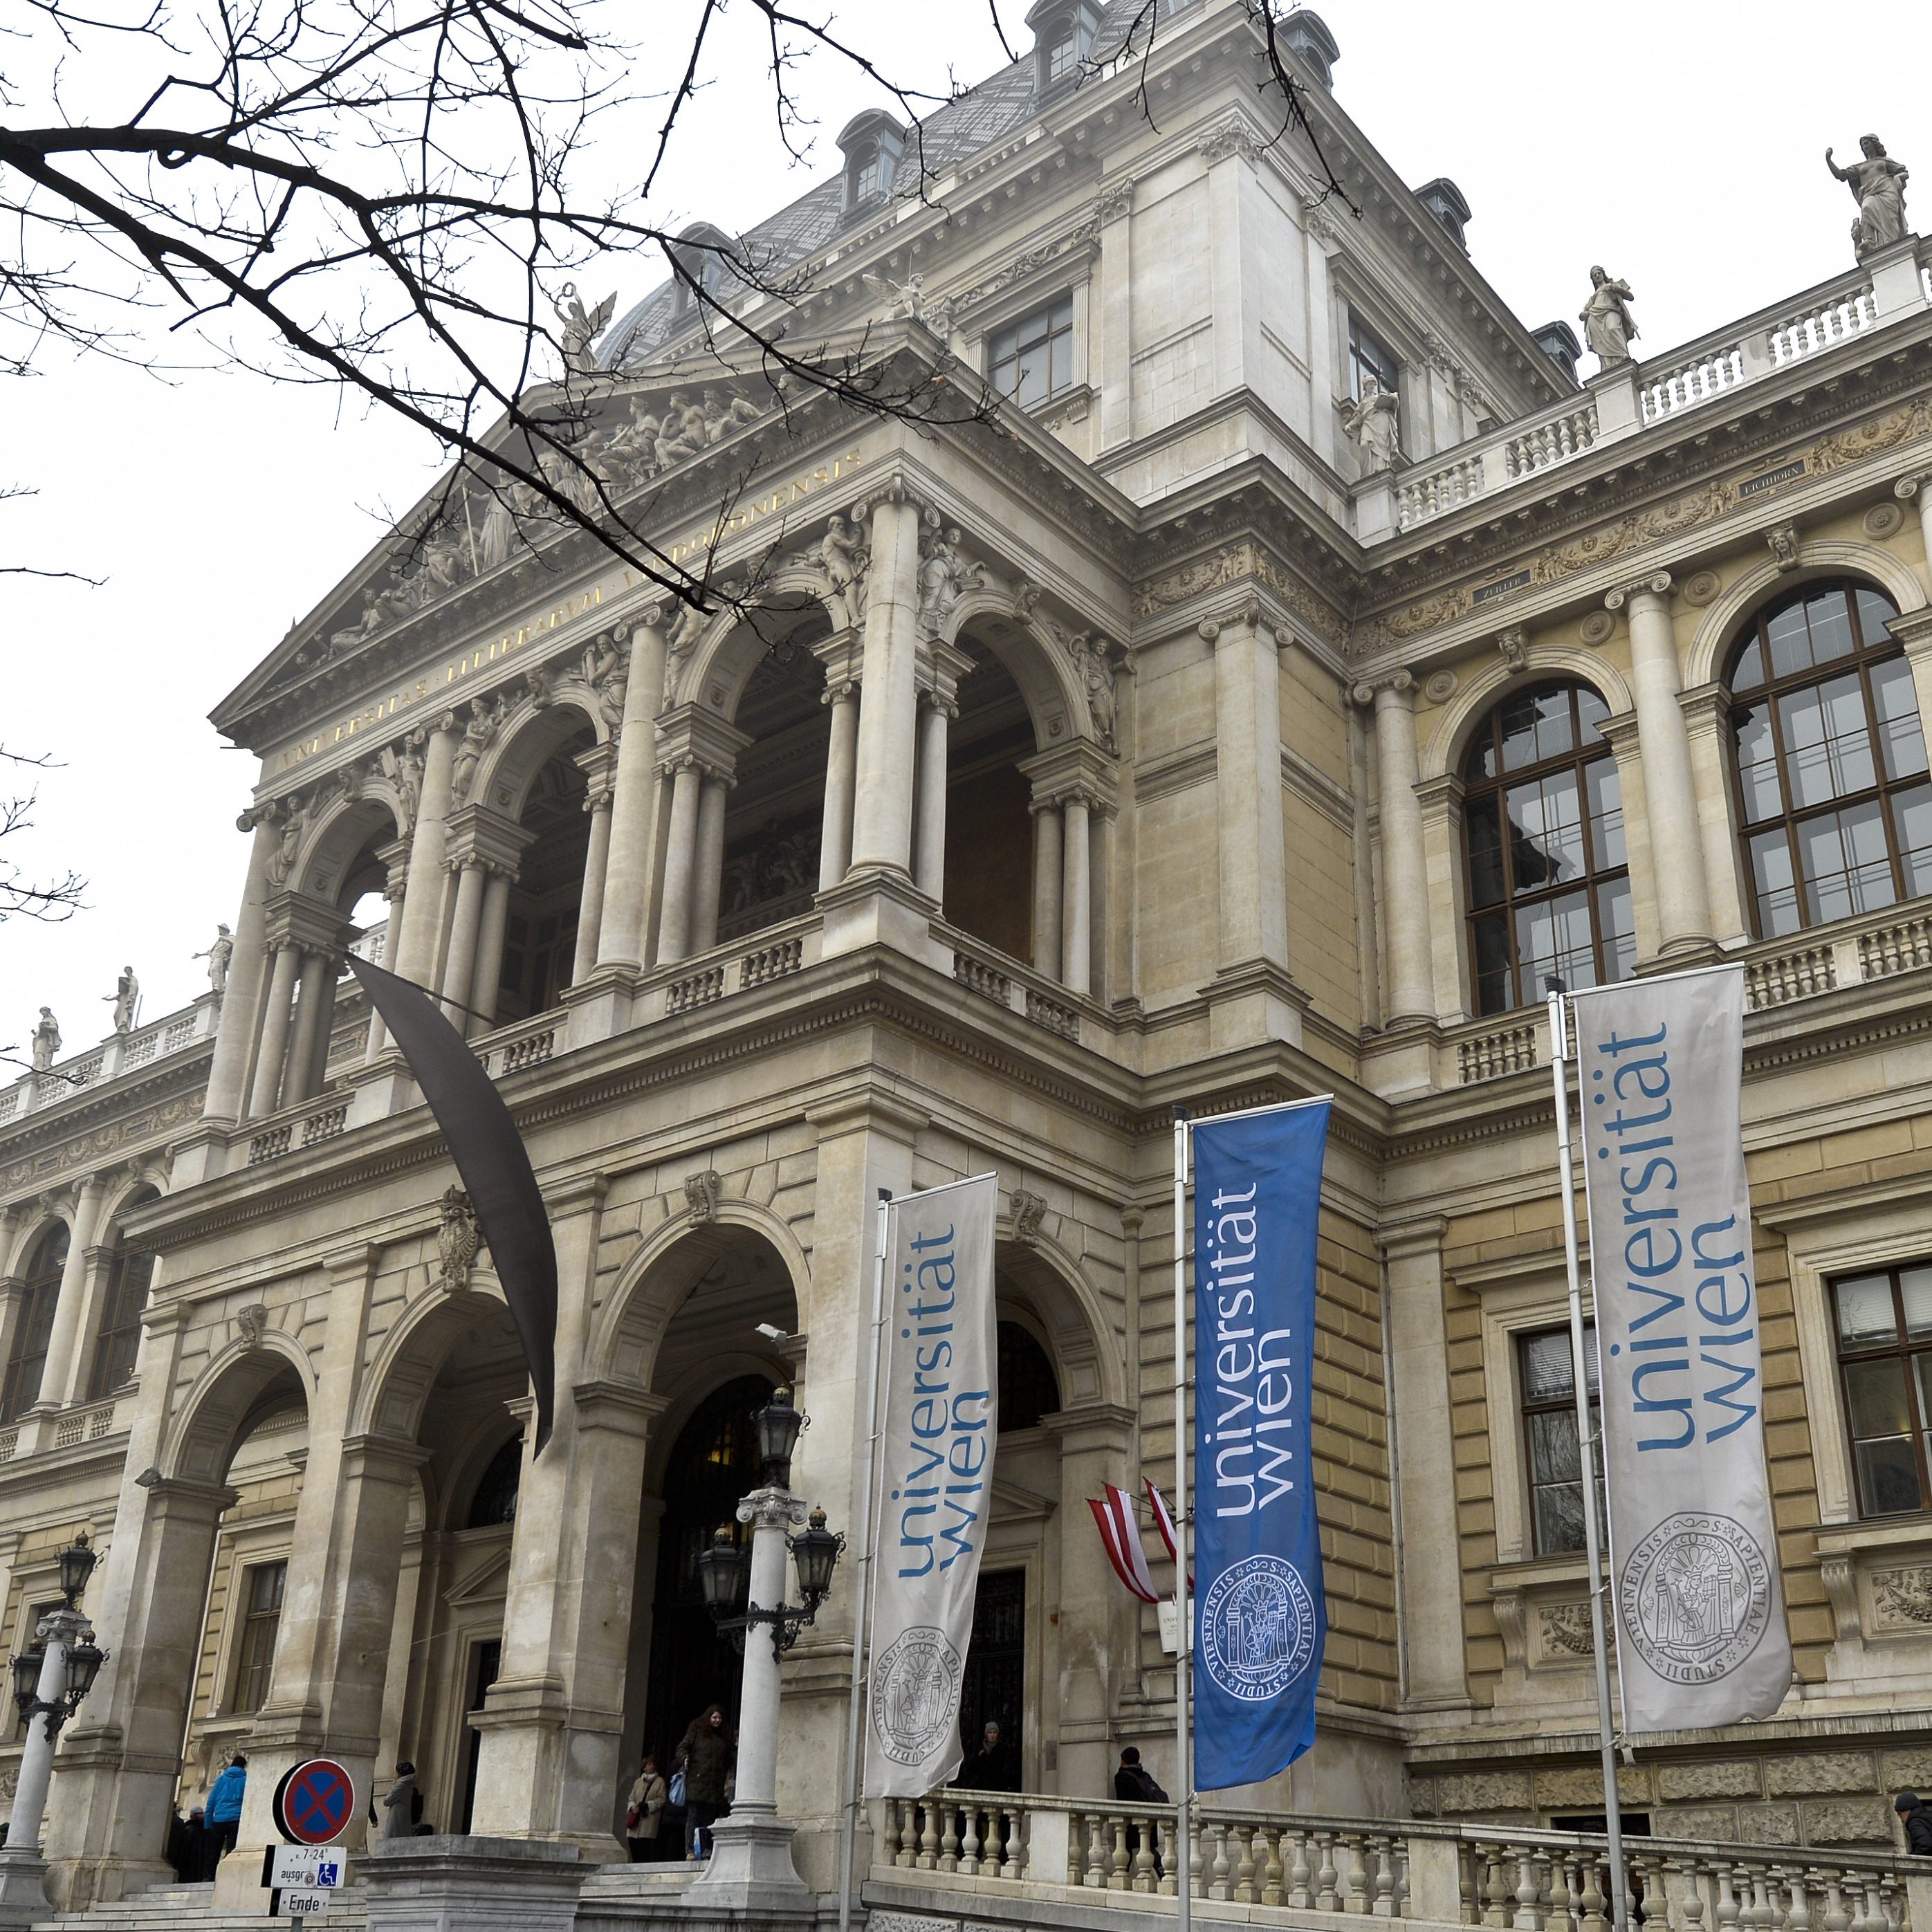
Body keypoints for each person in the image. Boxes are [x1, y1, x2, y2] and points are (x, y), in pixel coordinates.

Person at [675, 1704, 735, 1859]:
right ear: (708, 1718)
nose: (717, 1721)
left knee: (709, 1819)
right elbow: (682, 1748)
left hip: (714, 1786)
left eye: (720, 1718)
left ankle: (706, 1848)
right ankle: (690, 1850)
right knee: (694, 1816)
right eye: (714, 1717)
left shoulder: (724, 1738)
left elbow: (728, 1759)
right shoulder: (697, 1733)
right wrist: (685, 1758)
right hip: (697, 1782)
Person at [1114, 1746, 1170, 1877]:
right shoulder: (1144, 1775)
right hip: (1148, 1818)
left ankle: (1122, 1873)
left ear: (1124, 1760)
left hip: (1131, 1820)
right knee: (1149, 1848)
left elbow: (1121, 1800)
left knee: (1125, 1846)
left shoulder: (1121, 1777)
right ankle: (1163, 1873)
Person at [625, 1754, 669, 1863]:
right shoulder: (638, 1782)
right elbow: (631, 1797)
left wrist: (649, 1805)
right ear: (644, 1767)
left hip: (649, 1819)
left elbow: (662, 1799)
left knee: (645, 1846)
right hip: (636, 1820)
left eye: (653, 1765)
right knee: (633, 1843)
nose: (651, 1767)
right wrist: (633, 1806)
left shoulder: (660, 1782)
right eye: (649, 1765)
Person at [205, 1754, 247, 1864]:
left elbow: (211, 1802)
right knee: (231, 1850)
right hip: (236, 1819)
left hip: (219, 1820)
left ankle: (209, 1876)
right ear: (244, 1766)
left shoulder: (221, 1779)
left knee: (214, 1851)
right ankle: (227, 1872)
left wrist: (208, 1824)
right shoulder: (246, 1780)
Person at [958, 1720, 1018, 1792]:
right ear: (986, 1734)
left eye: (995, 1733)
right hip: (982, 1786)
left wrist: (984, 1756)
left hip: (997, 1786)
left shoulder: (1001, 1749)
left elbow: (996, 1765)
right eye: (990, 1733)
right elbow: (975, 1766)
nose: (992, 1735)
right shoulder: (980, 1748)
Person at [376, 1761, 420, 1840]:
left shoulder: (401, 1785)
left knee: (392, 1837)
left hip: (396, 1816)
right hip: (404, 1816)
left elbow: (387, 1801)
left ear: (401, 1773)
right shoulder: (409, 1785)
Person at [1897, 1790, 1932, 1854]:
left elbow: (1925, 1845)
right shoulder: (1926, 1817)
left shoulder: (1915, 1822)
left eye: (1900, 1814)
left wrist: (1914, 1861)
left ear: (1907, 1811)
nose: (1901, 1819)